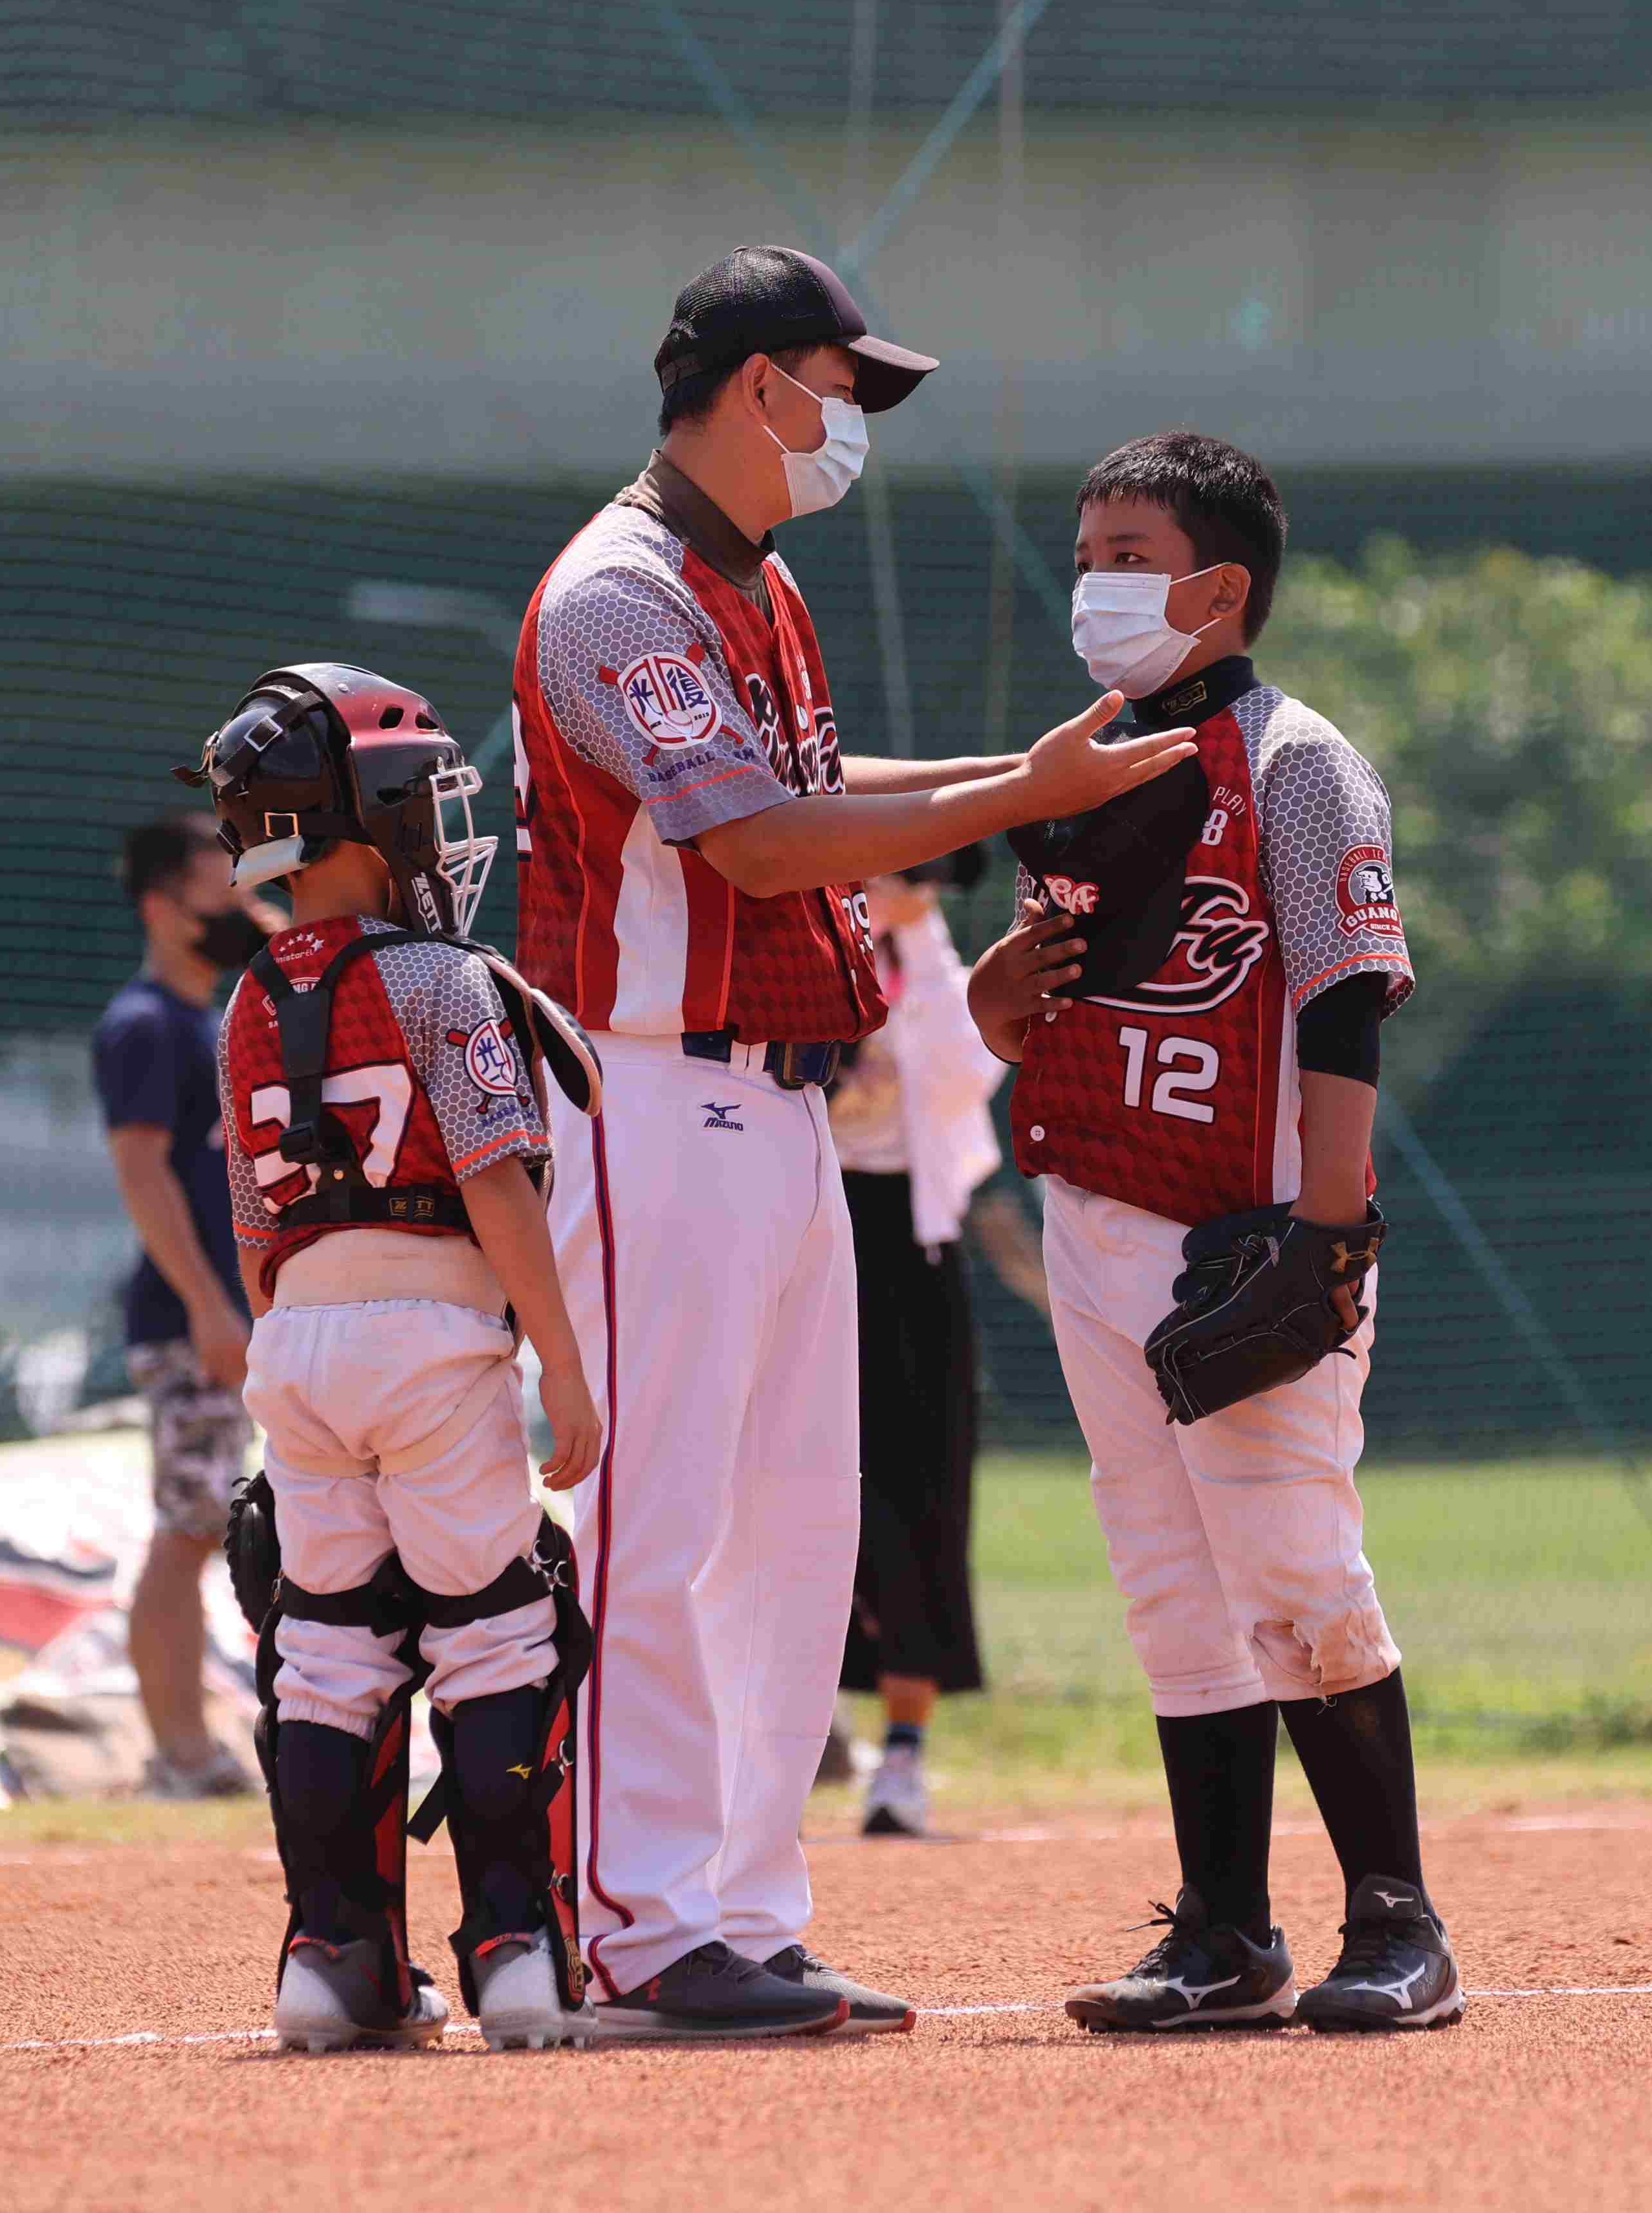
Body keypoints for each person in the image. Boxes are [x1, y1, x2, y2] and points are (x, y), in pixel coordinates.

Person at [511, 245, 1200, 2040]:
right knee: (658, 1523)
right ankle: (638, 1929)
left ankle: (741, 1911)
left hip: (786, 1104)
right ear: (755, 387)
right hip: (648, 1094)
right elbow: (751, 843)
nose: (853, 425)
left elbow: (816, 789)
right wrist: (1016, 796)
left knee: (794, 1535)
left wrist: (1012, 776)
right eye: (841, 389)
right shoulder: (619, 594)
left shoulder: (758, 585)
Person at [968, 431, 1460, 2034]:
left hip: (1243, 1229)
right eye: (1088, 554)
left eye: (1131, 556)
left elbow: (1344, 1003)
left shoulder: (1297, 762)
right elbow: (1026, 1000)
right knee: (1168, 1577)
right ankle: (1226, 1934)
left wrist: (1326, 1230)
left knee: (1294, 1562)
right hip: (1095, 1211)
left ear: (1221, 586)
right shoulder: (1085, 762)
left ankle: (1398, 1922)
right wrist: (989, 995)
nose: (1095, 584)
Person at [188, 663, 611, 2053]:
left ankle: (330, 1961)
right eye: (418, 798)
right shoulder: (444, 979)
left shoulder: (247, 997)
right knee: (497, 1632)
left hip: (299, 1339)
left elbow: (257, 1229)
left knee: (324, 1652)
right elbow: (496, 1182)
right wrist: (560, 1363)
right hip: (431, 1331)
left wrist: (302, 1354)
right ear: (366, 816)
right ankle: (516, 1953)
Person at [826, 850, 1008, 1839]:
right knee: (795, 1486)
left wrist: (918, 931)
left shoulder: (936, 973)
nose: (904, 883)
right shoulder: (804, 950)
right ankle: (789, 1733)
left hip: (912, 1243)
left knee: (920, 1494)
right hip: (811, 1229)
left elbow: (966, 1077)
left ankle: (901, 1757)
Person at [93, 814, 268, 1801]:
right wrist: (209, 1307)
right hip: (194, 1324)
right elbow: (142, 1172)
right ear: (162, 909)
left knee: (210, 1522)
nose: (243, 911)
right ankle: (180, 1754)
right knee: (190, 1528)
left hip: (238, 1319)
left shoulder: (214, 1017)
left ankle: (197, 1746)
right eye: (221, 894)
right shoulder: (145, 1025)